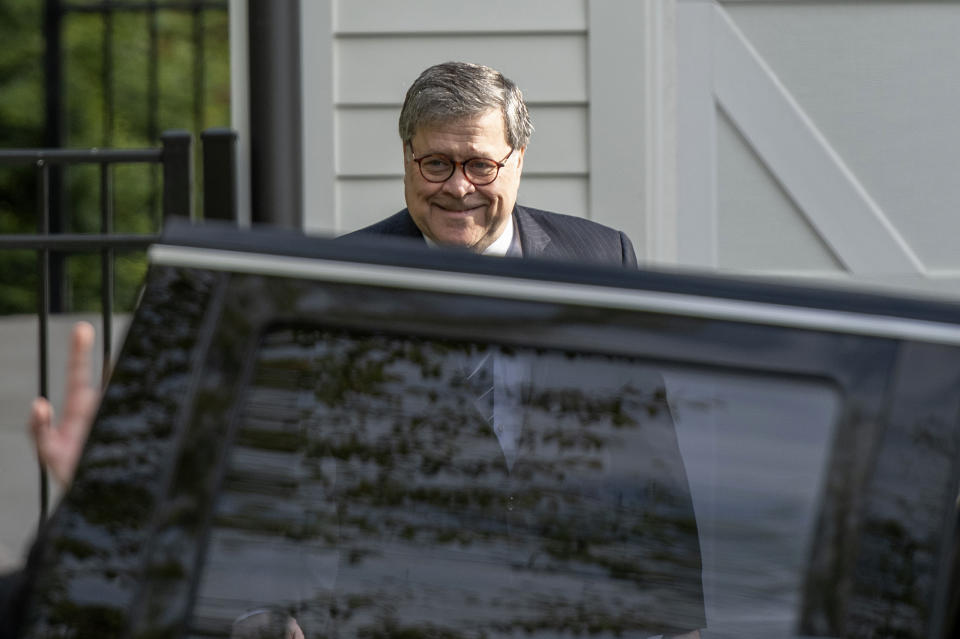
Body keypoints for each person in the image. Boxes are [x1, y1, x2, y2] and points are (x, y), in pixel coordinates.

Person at [9, 62, 701, 638]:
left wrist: (679, 615)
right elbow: (286, 466)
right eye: (435, 163)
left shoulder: (601, 257)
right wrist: (273, 610)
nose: (458, 186)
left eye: (479, 164)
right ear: (406, 156)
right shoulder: (338, 282)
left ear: (518, 159)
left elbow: (649, 453)